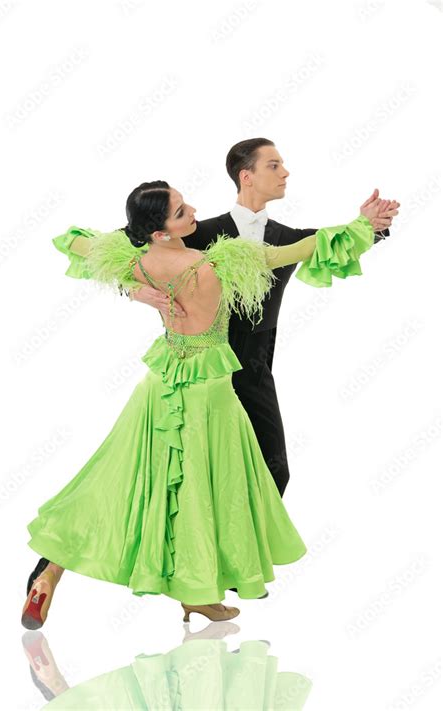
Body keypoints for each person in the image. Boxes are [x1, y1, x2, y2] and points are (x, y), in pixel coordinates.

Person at [21, 179, 391, 629]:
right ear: (160, 231)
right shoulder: (217, 264)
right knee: (208, 496)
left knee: (122, 480)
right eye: (180, 211)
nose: (192, 210)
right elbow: (294, 252)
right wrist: (362, 226)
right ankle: (195, 591)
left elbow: (75, 241)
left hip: (161, 385)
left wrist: (132, 286)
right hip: (211, 393)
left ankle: (54, 567)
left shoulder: (138, 261)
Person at [126, 139, 400, 498]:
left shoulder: (284, 237)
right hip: (198, 367)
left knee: (274, 469)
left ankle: (246, 547)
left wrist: (370, 225)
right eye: (273, 165)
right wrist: (134, 291)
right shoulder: (197, 231)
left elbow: (329, 243)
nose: (284, 172)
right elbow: (127, 247)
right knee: (186, 469)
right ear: (247, 176)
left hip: (255, 361)